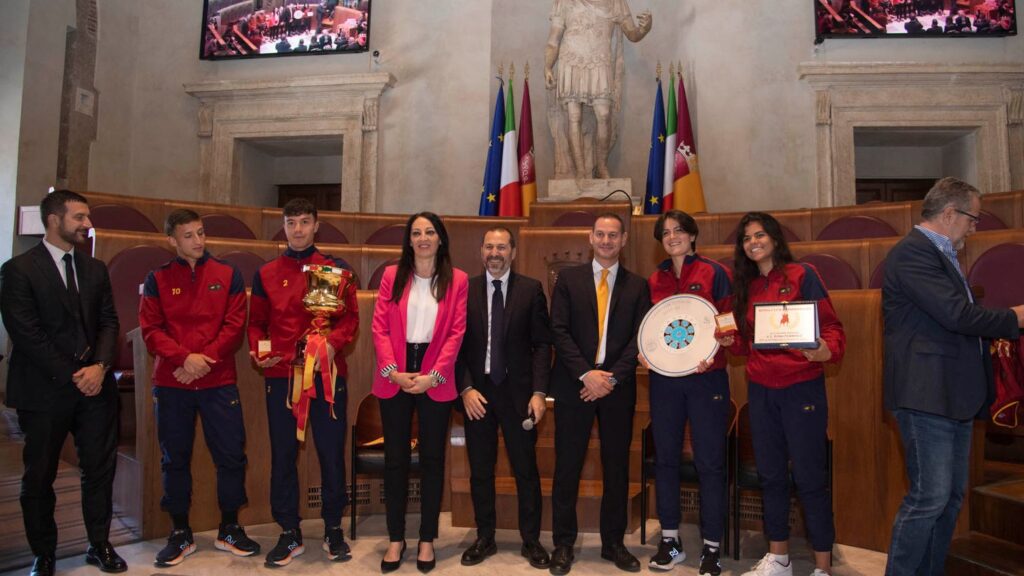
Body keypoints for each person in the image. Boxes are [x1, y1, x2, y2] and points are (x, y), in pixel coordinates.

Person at [882, 178, 1024, 576]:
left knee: (949, 498)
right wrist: (1015, 317)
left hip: (952, 394)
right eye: (972, 219)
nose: (974, 228)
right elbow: (956, 315)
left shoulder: (940, 254)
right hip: (926, 395)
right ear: (950, 214)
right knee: (929, 498)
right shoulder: (913, 254)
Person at [0, 190, 124, 576]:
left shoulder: (95, 269)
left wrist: (100, 367)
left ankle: (99, 544)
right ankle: (45, 552)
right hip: (44, 389)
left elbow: (109, 322)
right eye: (80, 217)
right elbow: (26, 333)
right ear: (54, 220)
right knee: (40, 474)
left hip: (95, 387)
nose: (87, 225)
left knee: (99, 470)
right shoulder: (18, 269)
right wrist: (75, 374)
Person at [720, 212, 845, 576]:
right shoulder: (745, 287)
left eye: (759, 235)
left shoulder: (802, 275)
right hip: (760, 392)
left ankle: (823, 566)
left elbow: (832, 327)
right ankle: (779, 559)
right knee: (771, 476)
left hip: (801, 388)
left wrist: (825, 350)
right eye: (746, 238)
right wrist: (731, 342)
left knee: (809, 477)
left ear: (774, 238)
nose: (753, 242)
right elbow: (744, 348)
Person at [138, 209, 259, 567]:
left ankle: (230, 527)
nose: (198, 241)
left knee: (231, 455)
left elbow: (234, 325)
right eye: (188, 235)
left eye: (201, 233)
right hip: (172, 382)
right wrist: (183, 360)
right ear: (172, 241)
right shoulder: (157, 278)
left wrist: (201, 361)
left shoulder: (228, 273)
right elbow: (151, 329)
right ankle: (180, 532)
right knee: (174, 457)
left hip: (218, 381)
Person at [247, 198, 358, 567]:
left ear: (316, 226)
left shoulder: (335, 269)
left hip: (326, 376)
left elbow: (350, 321)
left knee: (330, 453)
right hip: (281, 377)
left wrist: (331, 345)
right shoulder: (266, 273)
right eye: (291, 222)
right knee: (283, 455)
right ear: (283, 226)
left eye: (304, 222)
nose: (297, 229)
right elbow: (257, 324)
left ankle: (332, 529)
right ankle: (289, 531)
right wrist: (260, 352)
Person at [548, 213, 650, 575]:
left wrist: (610, 378)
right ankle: (563, 543)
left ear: (624, 241)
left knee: (617, 468)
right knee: (567, 466)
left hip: (617, 389)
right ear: (590, 239)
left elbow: (641, 337)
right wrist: (586, 374)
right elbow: (557, 330)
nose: (606, 241)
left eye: (613, 235)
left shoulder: (638, 286)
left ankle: (613, 543)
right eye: (600, 234)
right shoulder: (568, 280)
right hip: (574, 385)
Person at [372, 212, 468, 574]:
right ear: (409, 240)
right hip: (394, 370)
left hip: (435, 375)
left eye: (430, 232)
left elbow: (456, 332)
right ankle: (396, 538)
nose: (423, 238)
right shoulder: (391, 276)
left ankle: (427, 539)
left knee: (431, 460)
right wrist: (392, 372)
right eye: (416, 233)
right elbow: (379, 327)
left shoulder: (456, 280)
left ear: (440, 238)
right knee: (395, 460)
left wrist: (434, 376)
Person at [456, 227, 552, 569]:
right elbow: (455, 346)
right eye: (489, 246)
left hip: (519, 395)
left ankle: (531, 540)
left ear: (513, 251)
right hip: (477, 395)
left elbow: (542, 345)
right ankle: (485, 537)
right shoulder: (463, 289)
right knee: (480, 471)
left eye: (502, 247)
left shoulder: (531, 289)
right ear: (481, 250)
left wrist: (540, 392)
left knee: (526, 470)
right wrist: (465, 388)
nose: (495, 253)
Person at [642, 211, 732, 575]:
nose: (673, 236)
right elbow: (653, 327)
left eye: (679, 230)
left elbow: (727, 320)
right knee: (666, 460)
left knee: (709, 462)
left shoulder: (715, 272)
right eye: (665, 232)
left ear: (693, 235)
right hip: (665, 381)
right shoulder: (655, 278)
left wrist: (719, 347)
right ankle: (670, 539)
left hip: (707, 379)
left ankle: (712, 547)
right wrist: (646, 351)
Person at [544, 0, 652, 180]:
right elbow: (553, 40)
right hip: (571, 61)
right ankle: (580, 171)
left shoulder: (616, 3)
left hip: (600, 61)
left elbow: (632, 34)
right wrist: (547, 67)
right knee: (574, 117)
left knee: (603, 114)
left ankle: (601, 166)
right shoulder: (564, 2)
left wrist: (644, 29)